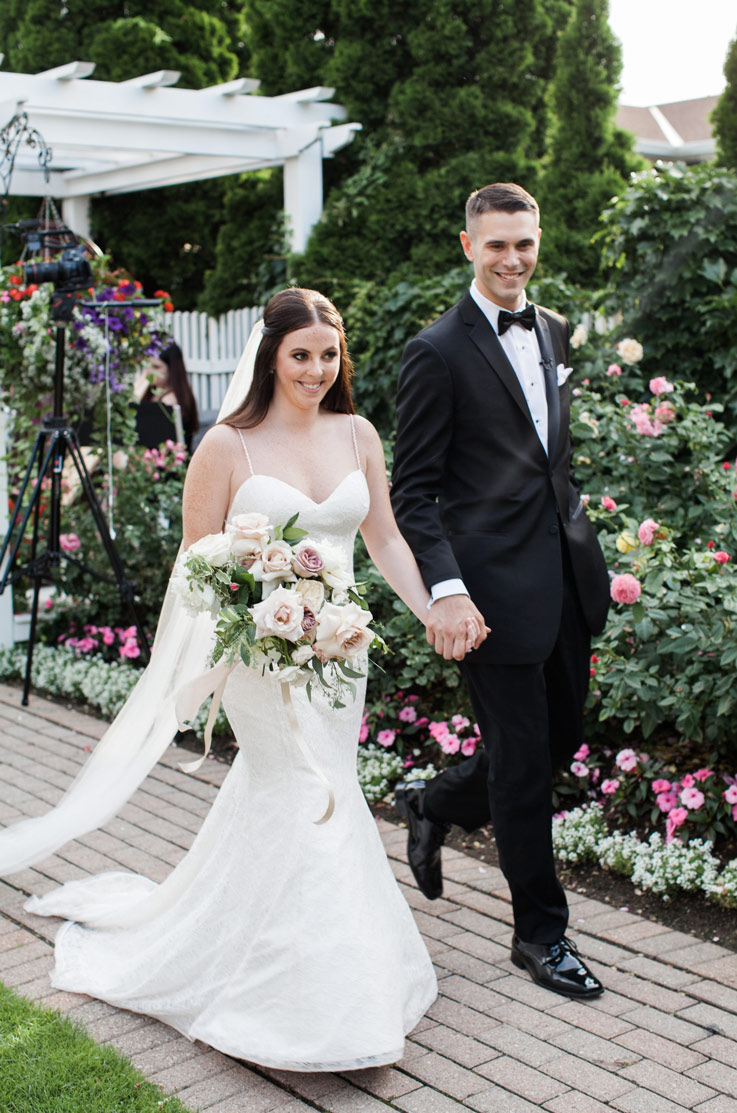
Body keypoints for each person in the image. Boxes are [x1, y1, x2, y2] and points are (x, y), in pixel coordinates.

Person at [0, 288, 470, 1071]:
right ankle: (312, 1000)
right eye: (301, 355)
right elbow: (197, 560)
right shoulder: (227, 444)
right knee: (297, 788)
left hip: (341, 649)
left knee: (329, 785)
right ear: (270, 356)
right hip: (261, 652)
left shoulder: (357, 434)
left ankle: (318, 969)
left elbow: (383, 536)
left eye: (328, 355)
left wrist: (429, 608)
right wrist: (262, 609)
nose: (317, 370)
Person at [391, 182, 611, 1000]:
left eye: (524, 242)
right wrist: (445, 590)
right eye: (495, 245)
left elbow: (545, 461)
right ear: (466, 246)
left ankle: (433, 802)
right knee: (522, 768)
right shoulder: (435, 350)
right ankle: (539, 937)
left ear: (537, 239)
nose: (512, 258)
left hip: (563, 578)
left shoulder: (550, 328)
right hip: (483, 596)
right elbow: (412, 491)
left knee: (558, 743)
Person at [134, 341, 200, 453]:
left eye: (156, 367)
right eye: (147, 366)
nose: (149, 372)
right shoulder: (151, 393)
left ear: (172, 369)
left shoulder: (169, 401)